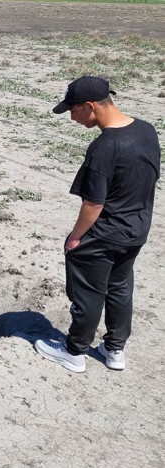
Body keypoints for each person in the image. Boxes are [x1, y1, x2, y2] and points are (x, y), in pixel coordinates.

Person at [35, 76, 160, 372]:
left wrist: (75, 238)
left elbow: (93, 203)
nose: (71, 117)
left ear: (90, 107)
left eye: (72, 110)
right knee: (119, 288)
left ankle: (74, 351)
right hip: (137, 229)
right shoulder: (146, 131)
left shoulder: (104, 147)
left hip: (104, 233)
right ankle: (115, 350)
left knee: (88, 291)